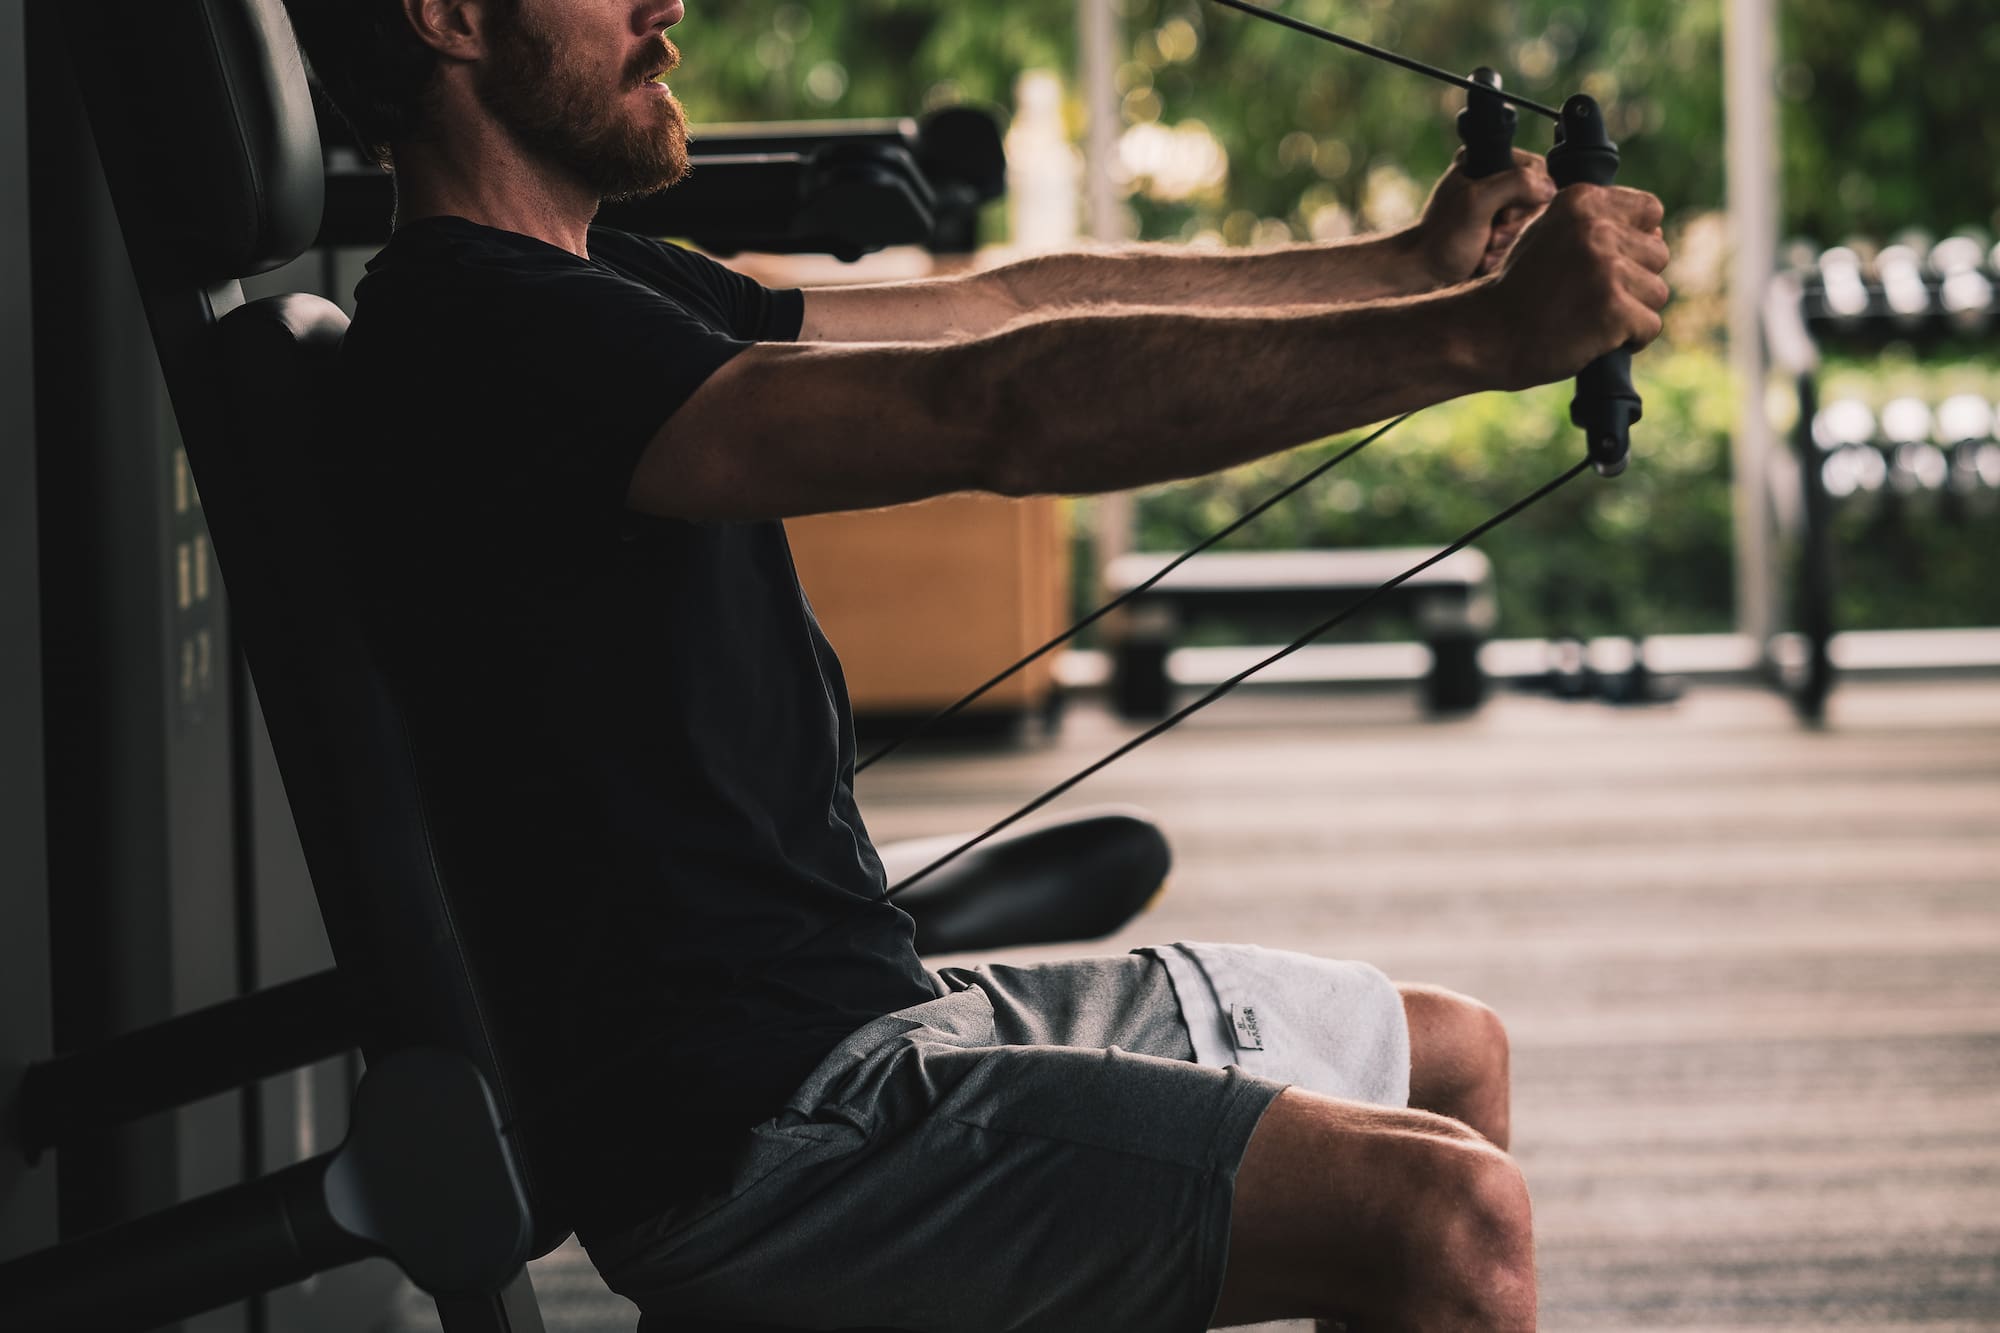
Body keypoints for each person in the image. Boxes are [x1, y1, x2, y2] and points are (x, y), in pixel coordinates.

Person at [283, 0, 1669, 1328]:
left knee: (1452, 1054)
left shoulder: (603, 286)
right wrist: (1478, 338)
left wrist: (1403, 270)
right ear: (449, 16)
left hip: (874, 1026)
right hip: (771, 1137)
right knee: (1448, 1219)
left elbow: (1008, 306)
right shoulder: (488, 339)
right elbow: (990, 410)